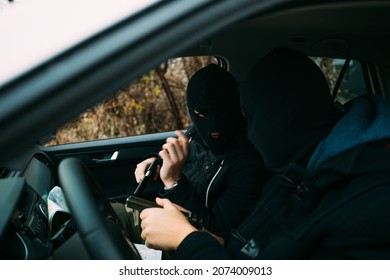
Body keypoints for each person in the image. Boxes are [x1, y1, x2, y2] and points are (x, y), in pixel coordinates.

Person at [139, 47, 390, 259]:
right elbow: (255, 245)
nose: (247, 133)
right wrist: (220, 243)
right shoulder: (298, 172)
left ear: (283, 117)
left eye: (250, 119)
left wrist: (187, 241)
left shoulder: (370, 201)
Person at [115, 63, 271, 245]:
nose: (213, 127)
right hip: (159, 216)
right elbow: (181, 156)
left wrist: (174, 183)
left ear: (237, 108)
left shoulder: (249, 164)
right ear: (192, 111)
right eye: (201, 115)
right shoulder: (195, 134)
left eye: (223, 115)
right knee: (97, 211)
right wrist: (156, 161)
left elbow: (215, 234)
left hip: (183, 242)